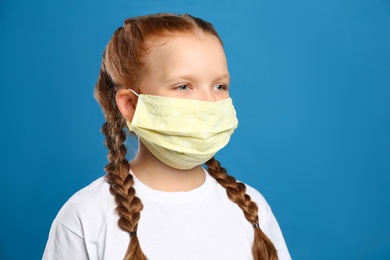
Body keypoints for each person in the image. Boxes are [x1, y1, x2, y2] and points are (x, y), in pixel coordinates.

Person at [43, 13, 291, 260]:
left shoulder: (252, 209)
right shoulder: (85, 216)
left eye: (219, 86)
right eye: (183, 86)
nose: (208, 102)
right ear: (130, 104)